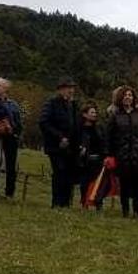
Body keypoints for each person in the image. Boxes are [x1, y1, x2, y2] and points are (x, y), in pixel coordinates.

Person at [106, 85, 138, 217]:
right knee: (124, 183)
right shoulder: (115, 115)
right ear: (121, 97)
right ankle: (125, 210)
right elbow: (109, 136)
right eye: (125, 95)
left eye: (130, 95)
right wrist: (110, 154)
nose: (127, 97)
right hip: (122, 154)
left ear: (133, 98)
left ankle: (137, 211)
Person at [39, 76, 79, 208]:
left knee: (68, 174)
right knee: (59, 172)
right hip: (56, 146)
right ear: (61, 89)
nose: (71, 91)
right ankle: (56, 202)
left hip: (70, 147)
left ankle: (66, 203)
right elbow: (44, 122)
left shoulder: (72, 105)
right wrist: (59, 137)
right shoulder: (52, 103)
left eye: (72, 88)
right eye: (68, 88)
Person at [0, 78, 23, 198]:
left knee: (10, 165)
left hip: (10, 137)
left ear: (6, 89)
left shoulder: (13, 105)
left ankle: (9, 192)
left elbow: (18, 122)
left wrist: (16, 133)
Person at [78, 102, 106, 208]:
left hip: (97, 160)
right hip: (84, 160)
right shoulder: (80, 129)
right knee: (84, 182)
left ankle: (98, 203)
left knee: (98, 183)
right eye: (92, 112)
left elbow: (103, 142)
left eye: (95, 112)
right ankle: (84, 202)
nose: (94, 114)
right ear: (85, 114)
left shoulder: (99, 128)